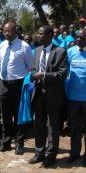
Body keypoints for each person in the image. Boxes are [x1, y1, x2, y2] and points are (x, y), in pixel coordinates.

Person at [28, 25, 67, 168]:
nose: (39, 36)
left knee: (52, 126)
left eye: (41, 34)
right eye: (38, 34)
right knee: (38, 125)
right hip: (38, 94)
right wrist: (32, 75)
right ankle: (39, 153)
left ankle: (51, 155)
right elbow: (33, 68)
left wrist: (43, 75)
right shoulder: (37, 51)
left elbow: (62, 74)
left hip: (54, 95)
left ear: (50, 35)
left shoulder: (60, 51)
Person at [0, 21, 33, 155]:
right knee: (4, 115)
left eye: (9, 31)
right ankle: (5, 143)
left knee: (18, 115)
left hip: (18, 84)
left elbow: (29, 67)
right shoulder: (2, 44)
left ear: (15, 31)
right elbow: (1, 62)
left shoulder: (24, 46)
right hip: (3, 83)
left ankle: (19, 144)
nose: (6, 33)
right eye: (4, 31)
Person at [65, 28, 86, 164]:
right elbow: (64, 71)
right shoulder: (70, 52)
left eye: (82, 37)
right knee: (74, 127)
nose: (78, 39)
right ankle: (74, 153)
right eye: (77, 37)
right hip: (72, 97)